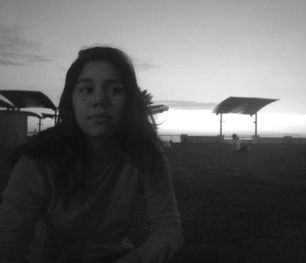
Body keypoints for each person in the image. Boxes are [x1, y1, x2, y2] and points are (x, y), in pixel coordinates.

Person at [0, 46, 183, 263]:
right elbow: (9, 244)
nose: (100, 100)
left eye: (115, 89)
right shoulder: (39, 161)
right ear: (71, 100)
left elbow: (168, 228)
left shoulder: (144, 154)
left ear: (129, 101)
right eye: (87, 89)